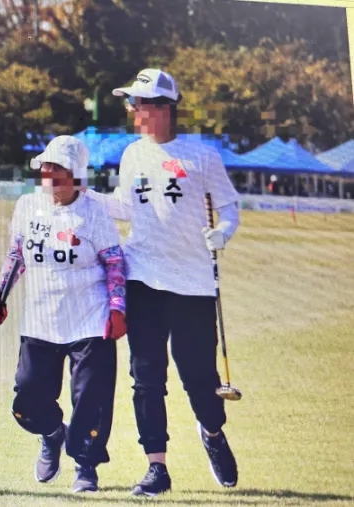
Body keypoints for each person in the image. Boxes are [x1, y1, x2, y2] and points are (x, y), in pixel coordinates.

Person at [85, 68, 241, 496]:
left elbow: (229, 207)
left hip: (192, 285)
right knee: (146, 377)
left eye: (139, 105)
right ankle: (157, 467)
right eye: (132, 105)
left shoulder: (202, 157)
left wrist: (223, 232)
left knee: (199, 379)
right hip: (142, 277)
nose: (134, 113)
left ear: (164, 108)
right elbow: (124, 207)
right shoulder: (132, 154)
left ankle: (212, 431)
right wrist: (83, 193)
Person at [0, 135, 127, 493]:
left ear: (76, 175)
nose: (49, 175)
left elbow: (114, 263)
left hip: (89, 319)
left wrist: (117, 308)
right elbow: (17, 255)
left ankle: (86, 466)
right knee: (27, 400)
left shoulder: (94, 213)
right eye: (46, 167)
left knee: (91, 401)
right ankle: (52, 434)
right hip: (41, 319)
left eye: (59, 169)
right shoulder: (27, 206)